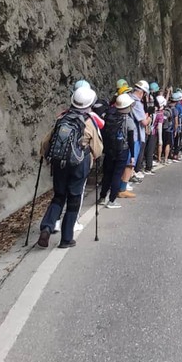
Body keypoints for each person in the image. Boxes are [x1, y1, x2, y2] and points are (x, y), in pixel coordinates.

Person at [38, 85, 103, 248]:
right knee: (73, 200)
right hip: (78, 166)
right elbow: (98, 149)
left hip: (59, 164)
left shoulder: (62, 118)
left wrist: (45, 157)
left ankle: (47, 227)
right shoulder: (88, 122)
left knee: (58, 196)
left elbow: (46, 142)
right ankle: (66, 239)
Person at [99, 92, 135, 207]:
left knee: (107, 174)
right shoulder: (128, 121)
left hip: (109, 149)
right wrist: (133, 155)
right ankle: (112, 200)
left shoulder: (109, 116)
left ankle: (102, 197)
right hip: (122, 150)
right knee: (117, 174)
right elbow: (131, 140)